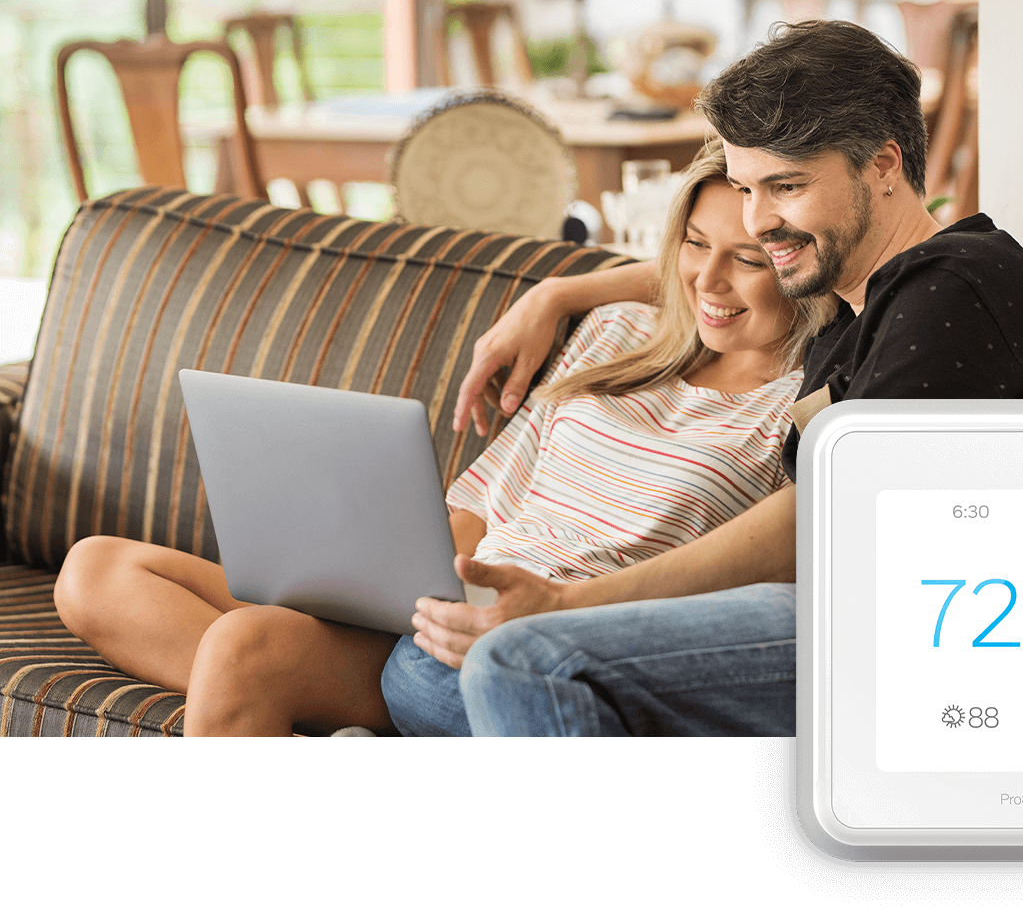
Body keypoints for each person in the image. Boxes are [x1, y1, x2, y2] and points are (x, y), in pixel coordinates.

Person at [405, 19, 1023, 736]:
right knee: (438, 670)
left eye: (785, 186)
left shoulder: (955, 285)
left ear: (884, 165)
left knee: (520, 660)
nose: (760, 221)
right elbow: (709, 275)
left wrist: (565, 607)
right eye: (744, 187)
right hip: (854, 616)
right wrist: (559, 294)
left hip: (945, 642)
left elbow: (829, 513)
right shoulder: (854, 305)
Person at [51, 140, 833, 736]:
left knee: (241, 650)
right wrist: (382, 574)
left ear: (799, 263)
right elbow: (485, 505)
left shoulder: (803, 404)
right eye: (693, 244)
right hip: (448, 600)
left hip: (542, 646)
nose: (707, 281)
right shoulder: (618, 332)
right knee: (96, 571)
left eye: (747, 259)